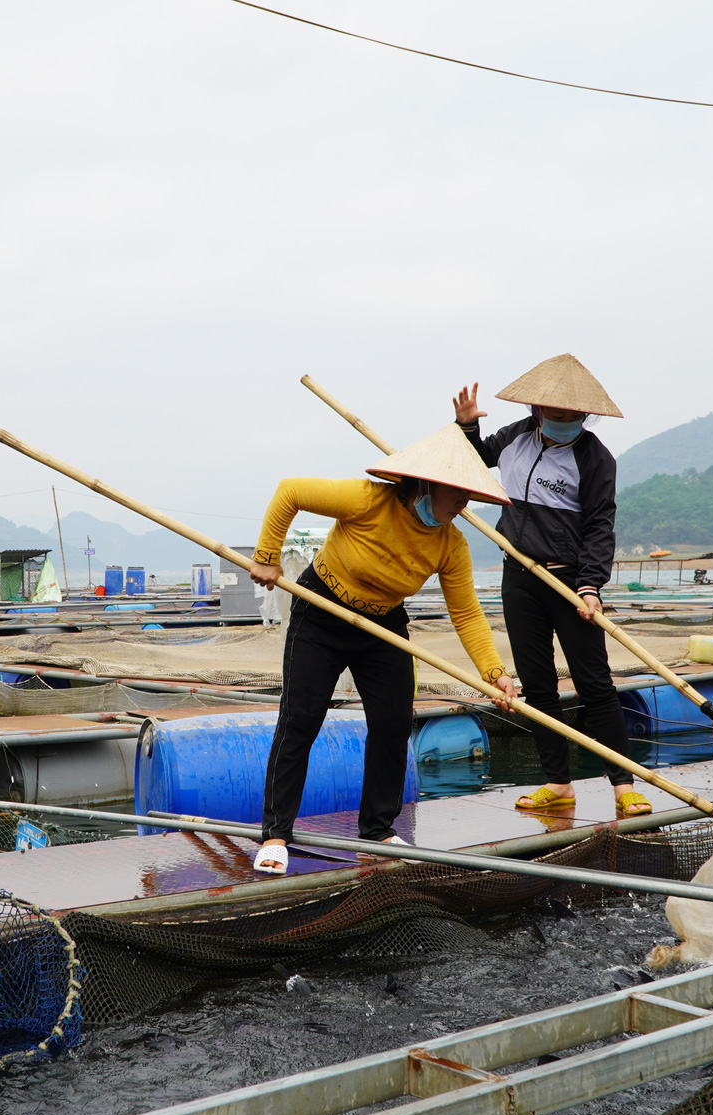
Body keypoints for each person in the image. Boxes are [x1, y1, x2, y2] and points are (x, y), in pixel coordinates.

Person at [248, 426, 517, 875]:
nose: (463, 506)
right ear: (429, 483)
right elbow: (289, 491)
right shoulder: (368, 499)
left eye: (470, 497)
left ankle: (376, 832)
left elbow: (467, 614)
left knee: (393, 725)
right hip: (322, 611)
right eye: (458, 494)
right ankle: (276, 833)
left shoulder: (452, 544)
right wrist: (267, 555)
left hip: (383, 624)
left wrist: (494, 673)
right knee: (301, 720)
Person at [455, 353, 650, 820]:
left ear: (586, 416)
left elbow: (601, 525)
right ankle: (557, 784)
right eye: (555, 414)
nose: (563, 422)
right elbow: (476, 460)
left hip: (568, 580)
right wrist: (466, 427)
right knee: (539, 688)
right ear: (538, 410)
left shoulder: (595, 458)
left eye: (573, 416)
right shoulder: (516, 437)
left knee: (595, 685)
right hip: (518, 576)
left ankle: (624, 784)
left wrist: (590, 585)